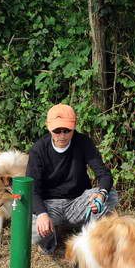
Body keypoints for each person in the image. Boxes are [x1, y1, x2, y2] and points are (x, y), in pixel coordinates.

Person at [26, 103, 118, 255]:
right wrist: (42, 214)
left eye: (67, 130)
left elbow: (104, 174)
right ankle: (51, 241)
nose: (62, 135)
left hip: (78, 202)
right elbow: (33, 189)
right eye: (57, 130)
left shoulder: (83, 142)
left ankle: (93, 239)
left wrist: (101, 195)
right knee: (30, 225)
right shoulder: (38, 149)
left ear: (74, 126)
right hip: (50, 205)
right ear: (48, 127)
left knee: (111, 194)